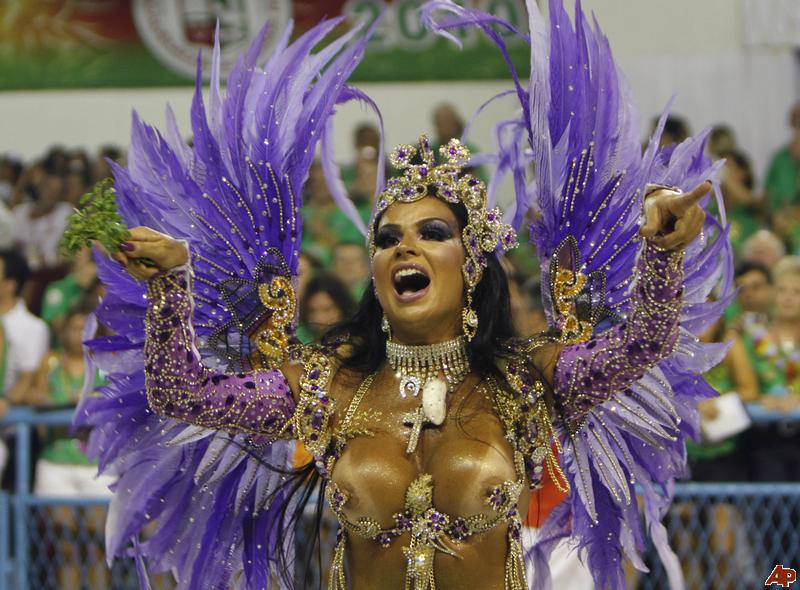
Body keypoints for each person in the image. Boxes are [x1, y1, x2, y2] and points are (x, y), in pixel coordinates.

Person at [77, 3, 728, 589]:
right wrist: (171, 284)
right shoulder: (327, 387)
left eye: (432, 233)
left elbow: (644, 340)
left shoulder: (531, 381)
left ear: (471, 265)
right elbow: (180, 393)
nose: (404, 248)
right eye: (388, 237)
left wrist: (663, 256)